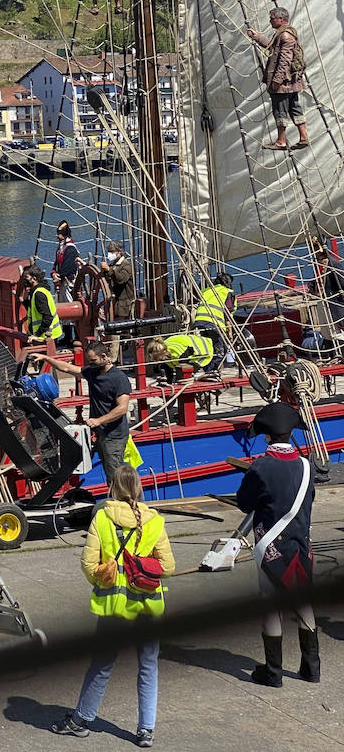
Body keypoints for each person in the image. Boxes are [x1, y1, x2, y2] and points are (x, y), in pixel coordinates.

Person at [51, 464, 175, 744]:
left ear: (114, 487)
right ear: (139, 487)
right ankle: (146, 730)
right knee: (148, 665)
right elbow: (167, 566)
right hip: (148, 605)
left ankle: (81, 719)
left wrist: (103, 575)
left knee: (102, 665)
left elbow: (87, 563)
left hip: (114, 607)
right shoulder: (154, 521)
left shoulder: (103, 518)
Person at [235, 401, 318, 686]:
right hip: (301, 543)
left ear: (268, 436)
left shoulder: (260, 467)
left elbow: (244, 503)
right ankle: (311, 667)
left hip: (271, 546)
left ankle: (273, 672)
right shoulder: (306, 466)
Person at [36, 341, 132, 484]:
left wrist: (99, 420)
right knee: (108, 472)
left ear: (104, 357)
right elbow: (68, 368)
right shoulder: (93, 372)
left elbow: (122, 408)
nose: (91, 364)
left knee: (114, 474)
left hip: (114, 435)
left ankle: (121, 503)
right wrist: (47, 359)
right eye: (89, 361)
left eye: (93, 361)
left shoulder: (118, 378)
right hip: (100, 433)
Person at [246, 6, 309, 150]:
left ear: (281, 19)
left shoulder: (285, 35)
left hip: (283, 84)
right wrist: (256, 36)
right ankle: (303, 137)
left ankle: (281, 141)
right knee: (295, 108)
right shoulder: (283, 34)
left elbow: (284, 61)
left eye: (272, 18)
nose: (270, 20)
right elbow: (272, 47)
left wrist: (276, 81)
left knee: (280, 110)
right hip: (292, 83)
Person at [192, 270, 236, 361]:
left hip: (200, 320)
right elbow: (227, 314)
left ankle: (207, 367)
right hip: (214, 322)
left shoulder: (207, 290)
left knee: (207, 346)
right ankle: (217, 368)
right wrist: (230, 333)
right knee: (218, 348)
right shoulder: (227, 292)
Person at [145, 332, 216, 380]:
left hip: (205, 350)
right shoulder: (165, 347)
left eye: (158, 359)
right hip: (194, 348)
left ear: (161, 354)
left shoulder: (178, 354)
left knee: (187, 370)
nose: (158, 362)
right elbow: (168, 368)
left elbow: (186, 368)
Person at [23, 262, 62, 343]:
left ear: (34, 278)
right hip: (47, 335)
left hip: (45, 336)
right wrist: (25, 300)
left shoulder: (39, 294)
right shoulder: (40, 290)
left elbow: (48, 317)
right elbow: (32, 310)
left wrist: (37, 335)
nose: (25, 280)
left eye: (26, 277)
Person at [52, 221, 82, 299]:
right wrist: (53, 272)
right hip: (62, 281)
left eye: (59, 234)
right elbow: (57, 263)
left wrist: (59, 276)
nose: (57, 236)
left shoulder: (70, 249)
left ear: (64, 235)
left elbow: (69, 268)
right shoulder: (61, 248)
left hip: (68, 283)